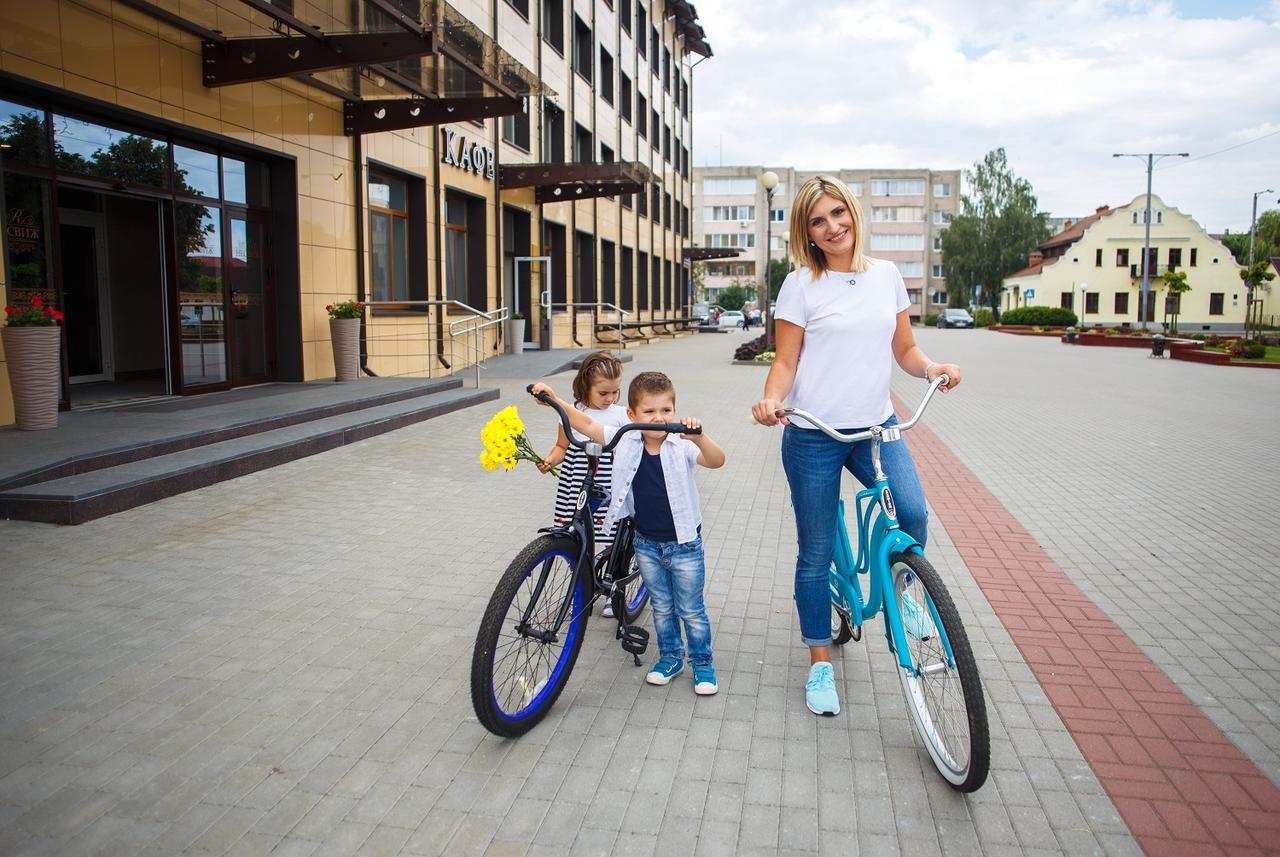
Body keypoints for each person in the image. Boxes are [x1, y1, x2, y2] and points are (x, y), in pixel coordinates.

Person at [750, 175, 962, 717]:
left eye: (838, 213)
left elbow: (906, 349)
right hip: (813, 435)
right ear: (808, 233)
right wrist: (771, 400)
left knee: (912, 512)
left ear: (853, 214)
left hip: (876, 428)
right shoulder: (800, 285)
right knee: (816, 554)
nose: (832, 226)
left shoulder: (886, 276)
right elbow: (785, 361)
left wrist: (931, 367)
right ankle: (821, 659)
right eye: (818, 221)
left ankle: (899, 593)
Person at [531, 372, 727, 695]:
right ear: (632, 416)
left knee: (691, 608)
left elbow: (717, 460)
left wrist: (699, 437)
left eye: (666, 410)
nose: (659, 418)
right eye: (649, 412)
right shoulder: (626, 438)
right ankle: (670, 657)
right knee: (662, 606)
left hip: (685, 545)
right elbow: (589, 425)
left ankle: (702, 663)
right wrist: (555, 400)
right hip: (647, 544)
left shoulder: (681, 444)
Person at [538, 351, 628, 616]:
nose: (610, 398)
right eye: (603, 393)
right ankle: (582, 590)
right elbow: (561, 446)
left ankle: (613, 589)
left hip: (608, 484)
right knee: (578, 538)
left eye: (615, 391)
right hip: (577, 486)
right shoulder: (572, 412)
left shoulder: (621, 414)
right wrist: (549, 461)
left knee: (612, 536)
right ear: (585, 386)